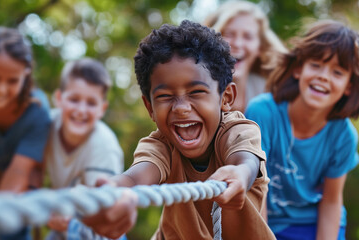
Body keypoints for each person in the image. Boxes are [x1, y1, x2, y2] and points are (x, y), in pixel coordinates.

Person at [83, 20, 275, 240]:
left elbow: (245, 160)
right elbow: (135, 179)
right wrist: (110, 193)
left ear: (226, 98)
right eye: (165, 96)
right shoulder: (161, 144)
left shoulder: (237, 131)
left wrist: (240, 174)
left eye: (196, 92)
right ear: (150, 108)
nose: (181, 108)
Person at [245, 19, 359, 240]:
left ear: (349, 87)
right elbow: (255, 187)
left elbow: (332, 201)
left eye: (337, 72)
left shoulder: (344, 136)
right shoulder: (263, 113)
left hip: (312, 224)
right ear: (298, 68)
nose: (323, 76)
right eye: (316, 65)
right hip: (265, 220)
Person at [44, 58, 125, 240]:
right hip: (63, 219)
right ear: (58, 99)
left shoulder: (104, 146)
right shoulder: (45, 126)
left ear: (102, 109)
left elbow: (101, 210)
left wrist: (58, 212)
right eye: (74, 99)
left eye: (91, 103)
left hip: (99, 226)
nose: (81, 110)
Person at [0, 27, 51, 240]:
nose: (2, 89)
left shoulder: (36, 111)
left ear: (25, 74)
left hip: (9, 215)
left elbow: (17, 179)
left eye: (12, 81)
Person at [203, 0, 287, 112]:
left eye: (248, 36)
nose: (237, 44)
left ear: (260, 47)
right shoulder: (196, 89)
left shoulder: (269, 93)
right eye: (229, 34)